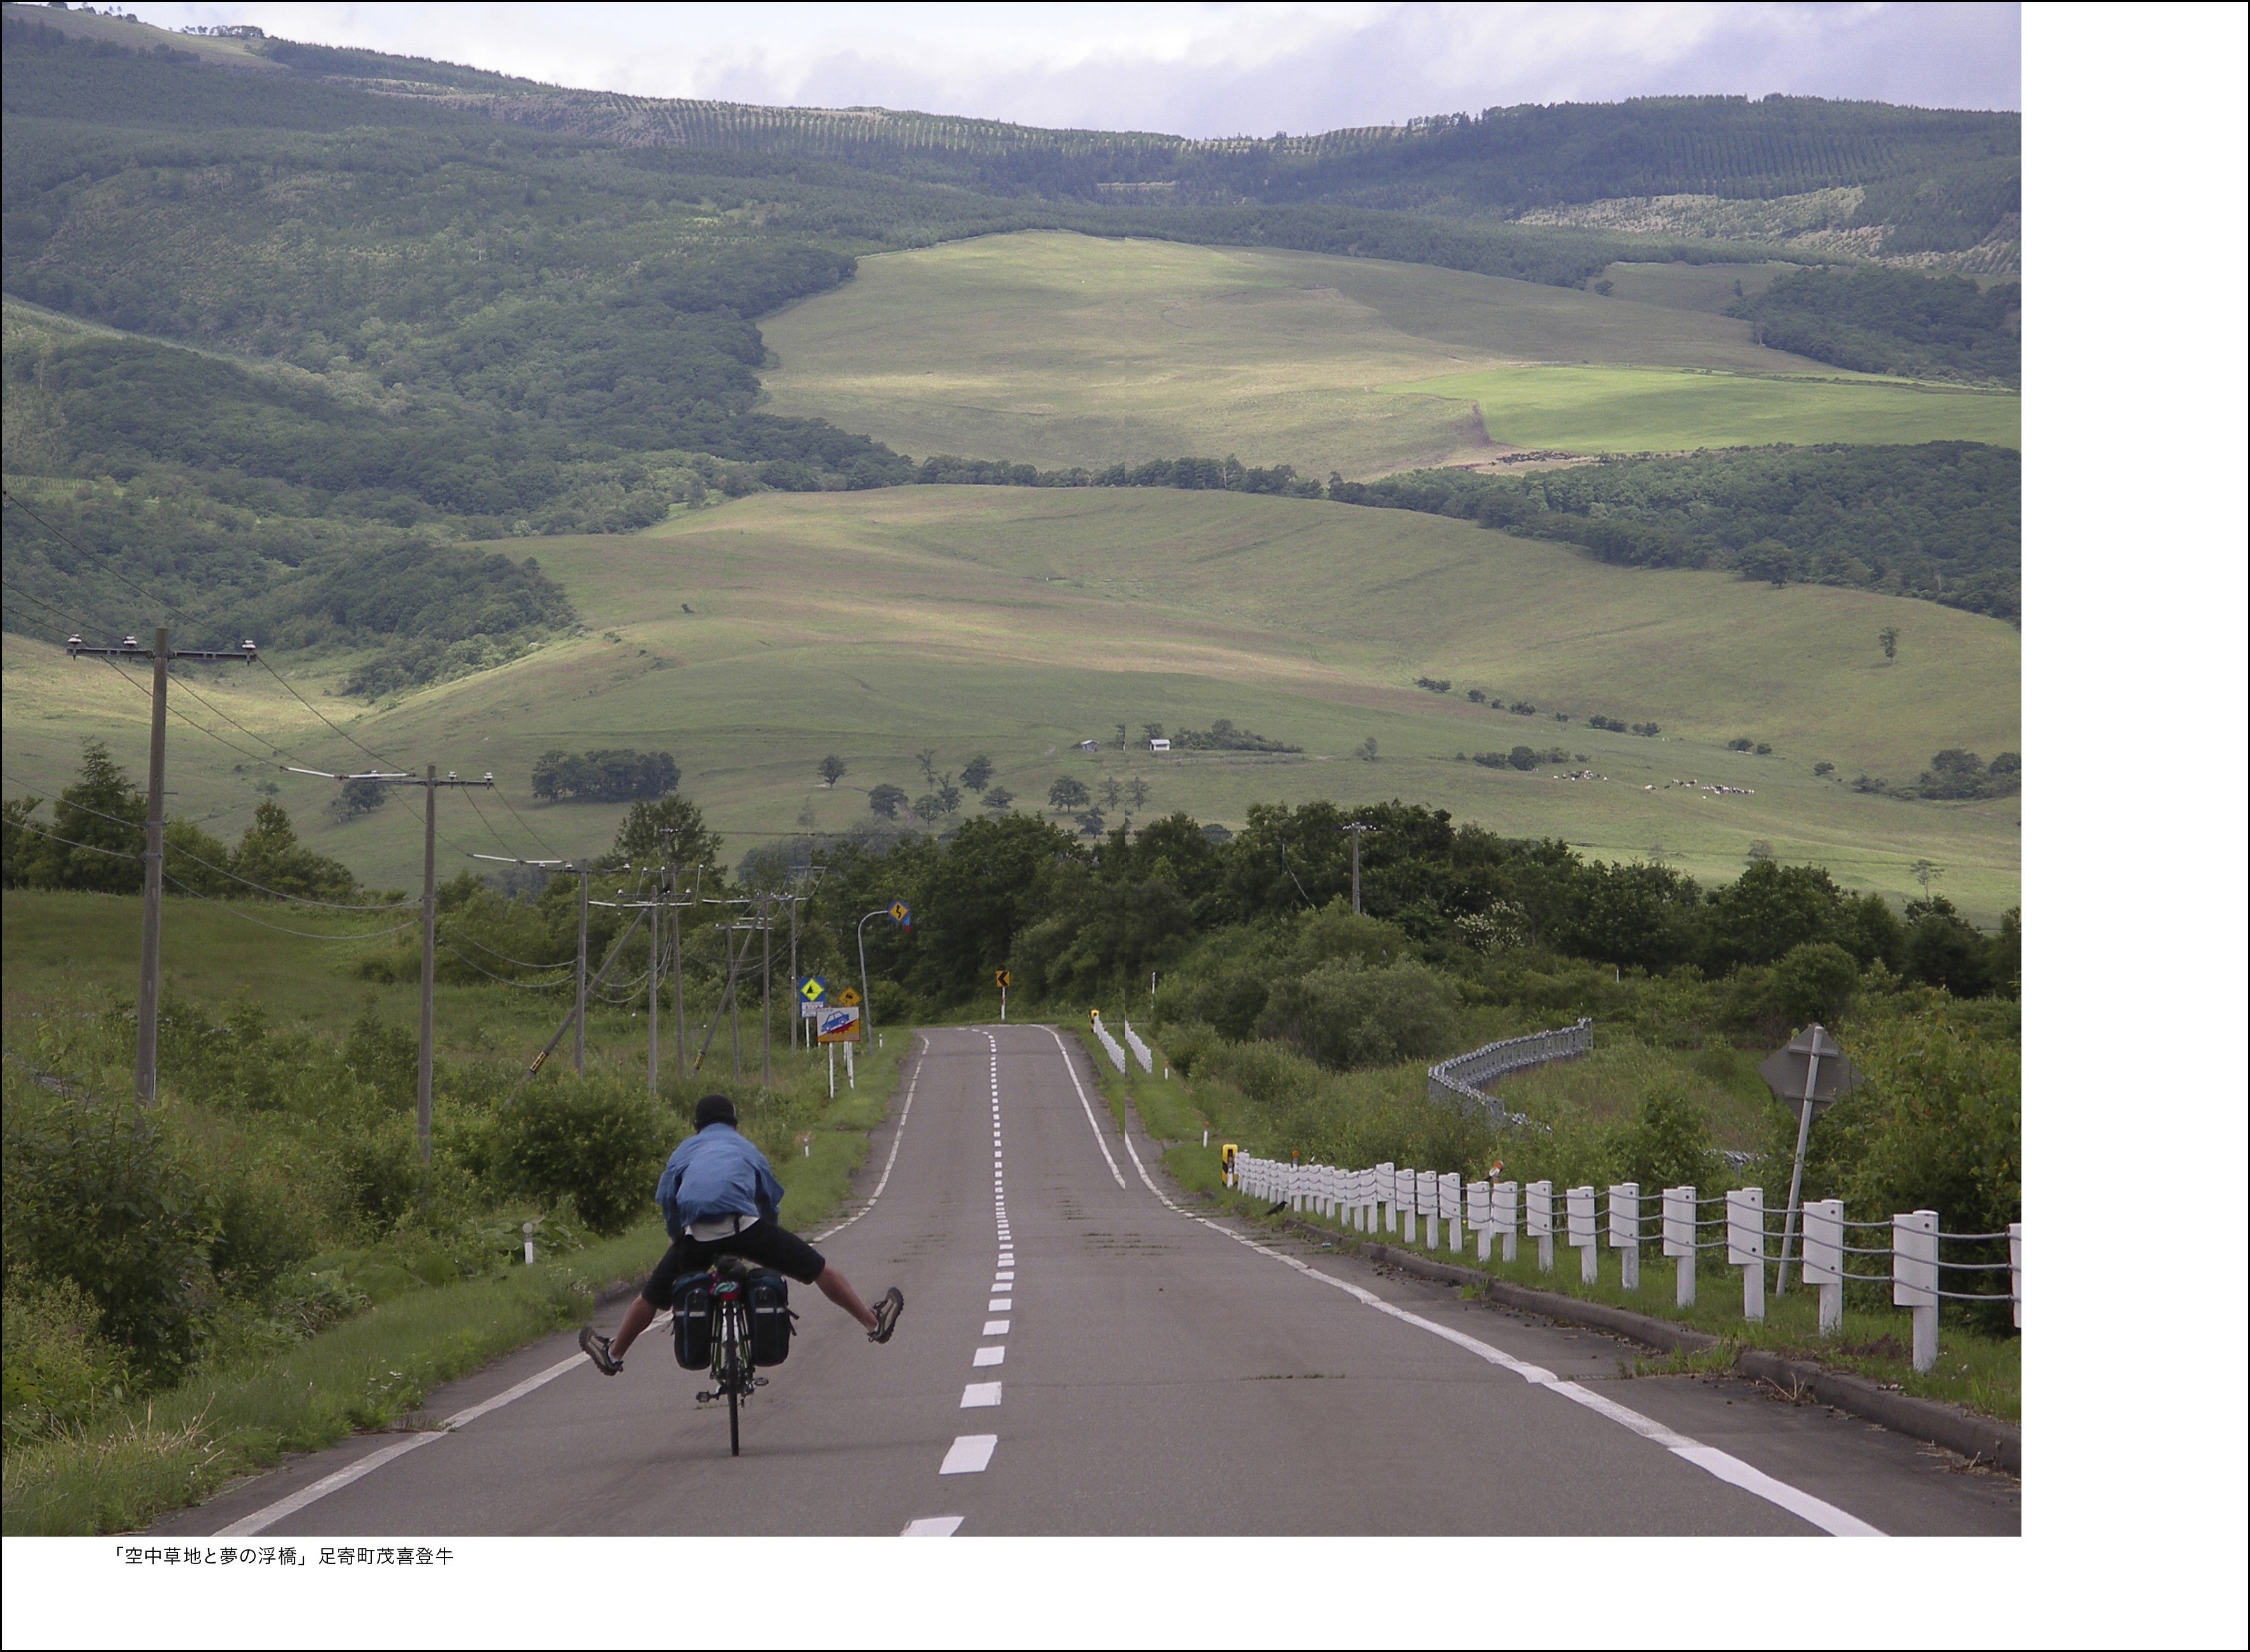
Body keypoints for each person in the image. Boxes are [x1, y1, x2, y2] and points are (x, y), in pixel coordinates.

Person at [579, 1093, 903, 1374]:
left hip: (699, 1237)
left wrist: (677, 1235)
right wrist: (770, 1235)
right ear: (735, 1124)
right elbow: (769, 1196)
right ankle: (874, 1324)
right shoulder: (745, 1148)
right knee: (820, 1270)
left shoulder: (686, 1150)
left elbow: (667, 1197)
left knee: (650, 1297)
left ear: (698, 1127)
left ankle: (614, 1354)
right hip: (747, 1229)